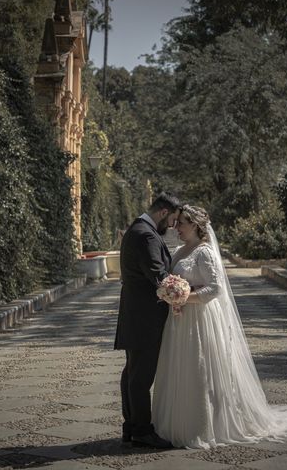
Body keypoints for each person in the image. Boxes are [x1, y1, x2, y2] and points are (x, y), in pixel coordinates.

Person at [152, 205, 287, 449]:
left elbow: (215, 288)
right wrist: (172, 292)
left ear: (195, 225)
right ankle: (176, 423)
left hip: (200, 318)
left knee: (201, 366)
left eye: (181, 223)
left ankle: (206, 425)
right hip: (181, 319)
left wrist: (183, 297)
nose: (176, 227)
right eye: (177, 222)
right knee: (182, 365)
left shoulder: (204, 252)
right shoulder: (180, 250)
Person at [114, 192, 181, 448]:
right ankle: (141, 429)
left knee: (132, 373)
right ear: (164, 213)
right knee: (141, 377)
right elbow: (158, 276)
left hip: (136, 314)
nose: (173, 226)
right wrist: (183, 290)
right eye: (172, 220)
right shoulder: (146, 234)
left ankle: (131, 426)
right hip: (145, 317)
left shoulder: (138, 228)